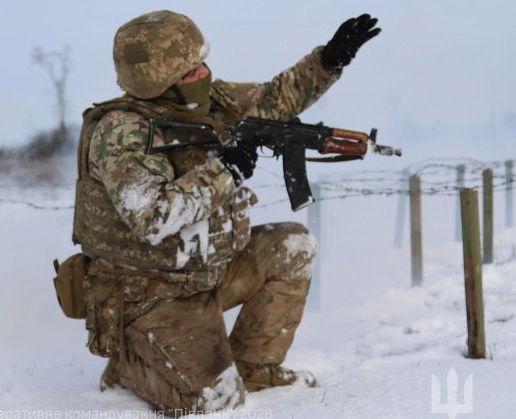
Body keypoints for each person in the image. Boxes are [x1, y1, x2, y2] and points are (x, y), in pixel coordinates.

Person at [72, 10, 380, 416]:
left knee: (292, 246)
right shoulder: (122, 131)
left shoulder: (211, 102)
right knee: (214, 402)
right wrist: (226, 170)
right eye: (190, 71)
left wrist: (328, 61)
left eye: (202, 62)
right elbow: (153, 217)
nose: (204, 73)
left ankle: (255, 368)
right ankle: (127, 362)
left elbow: (272, 100)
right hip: (151, 295)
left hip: (207, 270)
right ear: (159, 80)